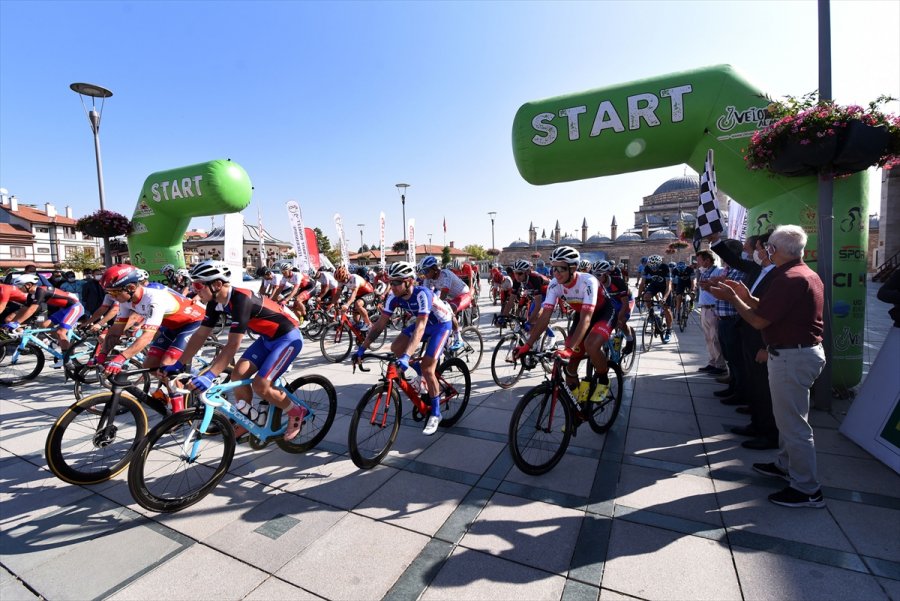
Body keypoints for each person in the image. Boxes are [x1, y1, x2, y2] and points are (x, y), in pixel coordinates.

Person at [709, 225, 826, 508]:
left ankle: (807, 488)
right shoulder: (801, 273)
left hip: (792, 356)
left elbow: (759, 320)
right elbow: (770, 308)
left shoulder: (789, 278)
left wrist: (734, 299)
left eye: (769, 246)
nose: (765, 251)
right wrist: (746, 296)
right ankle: (786, 465)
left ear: (775, 249)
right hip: (795, 354)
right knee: (788, 419)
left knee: (794, 425)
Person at [174, 260, 307, 441]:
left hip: (288, 339)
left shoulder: (241, 300)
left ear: (217, 284)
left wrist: (210, 375)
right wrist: (179, 363)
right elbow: (201, 334)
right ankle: (248, 419)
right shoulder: (215, 302)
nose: (194, 290)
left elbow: (232, 345)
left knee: (261, 385)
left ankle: (296, 412)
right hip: (267, 339)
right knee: (237, 376)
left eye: (198, 285)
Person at [354, 261, 454, 436]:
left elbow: (420, 327)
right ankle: (422, 377)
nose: (392, 286)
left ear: (409, 282)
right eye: (390, 282)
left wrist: (407, 356)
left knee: (428, 368)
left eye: (396, 282)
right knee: (396, 347)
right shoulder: (393, 297)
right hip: (424, 324)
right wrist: (362, 349)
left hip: (440, 324)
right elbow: (379, 325)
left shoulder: (422, 294)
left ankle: (436, 413)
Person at [514, 246, 616, 398]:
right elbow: (545, 316)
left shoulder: (588, 281)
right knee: (570, 369)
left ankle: (603, 379)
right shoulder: (554, 284)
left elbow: (587, 318)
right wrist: (527, 345)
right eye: (553, 268)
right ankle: (576, 406)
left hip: (603, 313)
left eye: (560, 268)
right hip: (581, 314)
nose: (556, 273)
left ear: (573, 268)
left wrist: (570, 348)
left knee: (590, 345)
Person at [710, 232, 779, 450]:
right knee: (755, 383)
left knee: (764, 388)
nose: (752, 253)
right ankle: (756, 424)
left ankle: (769, 433)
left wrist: (767, 346)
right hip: (748, 332)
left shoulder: (780, 275)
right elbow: (735, 262)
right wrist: (715, 240)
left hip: (762, 338)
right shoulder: (759, 270)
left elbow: (775, 314)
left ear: (769, 249)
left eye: (756, 248)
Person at [94, 264, 205, 376]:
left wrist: (121, 358)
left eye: (114, 292)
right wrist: (102, 355)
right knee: (149, 365)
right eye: (109, 293)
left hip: (194, 322)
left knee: (167, 364)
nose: (112, 297)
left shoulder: (154, 299)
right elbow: (116, 331)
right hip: (173, 326)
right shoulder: (126, 301)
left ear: (131, 288)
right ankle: (178, 382)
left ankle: (198, 380)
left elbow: (147, 336)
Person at [3, 274, 85, 366]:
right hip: (64, 309)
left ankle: (67, 360)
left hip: (75, 308)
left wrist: (17, 323)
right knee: (44, 325)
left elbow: (32, 309)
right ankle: (64, 343)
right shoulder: (31, 295)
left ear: (28, 285)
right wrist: (12, 321)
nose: (18, 288)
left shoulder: (41, 291)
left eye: (19, 286)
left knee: (60, 332)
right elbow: (24, 309)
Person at [708, 240, 748, 406]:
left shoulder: (740, 270)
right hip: (724, 319)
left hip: (733, 320)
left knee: (737, 359)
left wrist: (716, 286)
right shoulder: (729, 270)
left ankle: (741, 392)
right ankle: (733, 387)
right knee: (730, 357)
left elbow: (734, 294)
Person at [418, 256, 471, 350]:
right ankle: (448, 336)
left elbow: (443, 294)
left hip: (464, 294)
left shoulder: (445, 274)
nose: (424, 274)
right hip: (452, 297)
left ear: (435, 268)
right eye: (423, 271)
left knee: (447, 309)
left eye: (426, 271)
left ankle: (458, 338)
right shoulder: (428, 278)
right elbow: (426, 294)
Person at [592, 260, 634, 354]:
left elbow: (625, 305)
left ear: (606, 274)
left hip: (626, 301)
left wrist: (618, 319)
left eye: (598, 275)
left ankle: (630, 340)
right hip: (613, 302)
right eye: (593, 275)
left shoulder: (618, 281)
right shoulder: (595, 284)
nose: (596, 278)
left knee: (620, 322)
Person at [695, 250, 726, 375]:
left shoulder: (719, 271)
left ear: (707, 260)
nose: (697, 263)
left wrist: (708, 287)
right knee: (708, 338)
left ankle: (720, 365)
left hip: (714, 308)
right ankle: (712, 362)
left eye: (699, 260)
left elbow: (722, 289)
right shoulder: (704, 272)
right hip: (704, 308)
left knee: (715, 338)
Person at [500, 259, 549, 330]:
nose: (517, 276)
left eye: (520, 273)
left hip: (548, 293)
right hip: (536, 293)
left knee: (536, 316)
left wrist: (528, 322)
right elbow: (510, 302)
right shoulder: (517, 280)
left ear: (527, 272)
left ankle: (550, 334)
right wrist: (503, 317)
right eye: (515, 273)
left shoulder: (535, 279)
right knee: (530, 317)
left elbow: (538, 306)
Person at [637, 254, 673, 343]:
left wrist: (664, 298)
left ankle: (669, 330)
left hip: (665, 287)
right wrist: (638, 296)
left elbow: (669, 286)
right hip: (654, 285)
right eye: (651, 266)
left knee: (667, 309)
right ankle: (652, 314)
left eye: (655, 267)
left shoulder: (665, 268)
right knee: (646, 297)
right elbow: (642, 283)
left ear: (659, 264)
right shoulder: (647, 268)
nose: (653, 269)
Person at [334, 264, 375, 330]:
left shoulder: (355, 278)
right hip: (359, 295)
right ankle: (363, 332)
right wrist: (333, 303)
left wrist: (347, 305)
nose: (341, 282)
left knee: (358, 304)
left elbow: (354, 293)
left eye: (343, 280)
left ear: (347, 275)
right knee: (355, 318)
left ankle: (369, 324)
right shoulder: (341, 280)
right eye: (340, 281)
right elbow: (338, 293)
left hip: (368, 293)